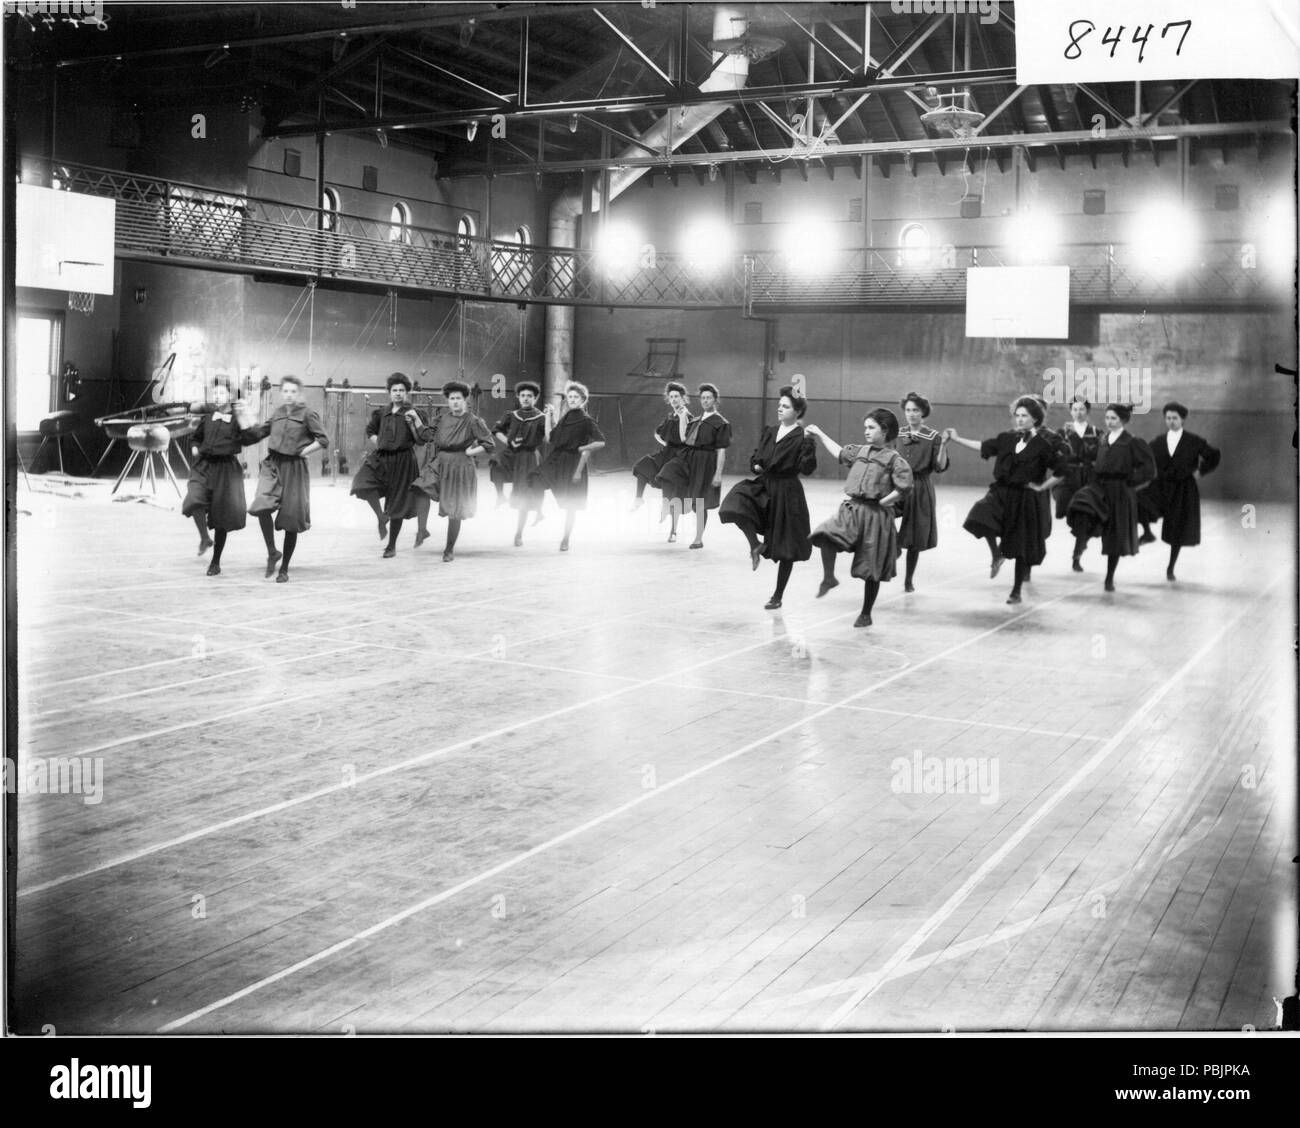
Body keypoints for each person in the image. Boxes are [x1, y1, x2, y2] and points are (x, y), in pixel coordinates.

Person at [945, 396, 1065, 605]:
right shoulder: (1006, 439)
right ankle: (997, 554)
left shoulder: (1043, 445)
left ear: (1035, 419)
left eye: (1024, 416)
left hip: (1024, 498)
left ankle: (1016, 590)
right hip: (1001, 492)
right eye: (1016, 415)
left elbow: (1062, 470)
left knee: (1019, 545)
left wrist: (1041, 487)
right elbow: (982, 446)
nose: (1019, 420)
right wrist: (957, 438)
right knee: (980, 514)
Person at [805, 408, 913, 628]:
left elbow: (905, 486)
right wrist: (820, 433)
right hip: (853, 509)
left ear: (885, 431)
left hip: (876, 516)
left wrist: (886, 501)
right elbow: (839, 452)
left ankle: (866, 612)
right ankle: (829, 577)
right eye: (865, 427)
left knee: (870, 567)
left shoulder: (894, 459)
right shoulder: (860, 451)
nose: (866, 431)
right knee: (825, 534)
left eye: (871, 427)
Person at [718, 386, 817, 610]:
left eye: (786, 406)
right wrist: (755, 464)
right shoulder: (771, 431)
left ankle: (777, 595)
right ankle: (755, 545)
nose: (780, 409)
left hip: (788, 492)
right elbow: (757, 455)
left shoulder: (802, 436)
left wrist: (810, 444)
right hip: (765, 483)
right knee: (735, 502)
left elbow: (807, 468)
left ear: (797, 411)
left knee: (787, 548)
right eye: (779, 405)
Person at [238, 375, 328, 583]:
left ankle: (284, 568)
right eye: (285, 391)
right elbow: (259, 433)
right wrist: (243, 418)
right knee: (260, 506)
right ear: (281, 393)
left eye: (293, 392)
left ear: (300, 394)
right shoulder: (277, 413)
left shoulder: (307, 414)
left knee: (290, 519)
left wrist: (304, 451)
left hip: (294, 468)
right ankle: (272, 552)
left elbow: (323, 440)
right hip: (272, 465)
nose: (289, 395)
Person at [1065, 403, 1157, 592]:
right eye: (1107, 418)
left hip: (1120, 492)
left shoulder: (1133, 442)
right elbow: (1089, 456)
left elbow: (1149, 470)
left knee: (1114, 537)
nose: (1109, 422)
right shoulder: (1103, 439)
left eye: (1113, 418)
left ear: (1123, 420)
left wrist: (1130, 483)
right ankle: (1078, 552)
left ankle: (1109, 578)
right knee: (1081, 508)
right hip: (1098, 488)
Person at [350, 373, 433, 558]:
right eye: (394, 390)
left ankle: (391, 546)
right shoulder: (381, 412)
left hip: (403, 461)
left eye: (401, 390)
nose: (398, 394)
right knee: (361, 482)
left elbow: (424, 439)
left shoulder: (415, 412)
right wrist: (378, 441)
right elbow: (370, 430)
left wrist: (415, 422)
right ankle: (381, 516)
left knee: (397, 505)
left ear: (406, 392)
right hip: (381, 457)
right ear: (389, 392)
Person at [181, 378, 258, 577]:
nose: (217, 396)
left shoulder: (236, 418)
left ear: (230, 397)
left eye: (221, 393)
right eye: (214, 393)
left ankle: (215, 561)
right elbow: (195, 437)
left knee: (221, 518)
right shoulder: (207, 417)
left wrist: (243, 416)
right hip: (203, 466)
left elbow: (250, 438)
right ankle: (205, 538)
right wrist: (196, 449)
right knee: (193, 500)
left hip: (226, 469)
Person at [411, 381, 494, 562]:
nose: (455, 402)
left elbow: (489, 444)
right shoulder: (441, 419)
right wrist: (416, 420)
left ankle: (449, 549)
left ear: (465, 400)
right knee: (419, 488)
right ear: (448, 401)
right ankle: (422, 529)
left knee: (454, 510)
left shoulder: (473, 421)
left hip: (461, 467)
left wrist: (471, 451)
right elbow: (427, 436)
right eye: (452, 399)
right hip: (440, 462)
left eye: (458, 398)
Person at [1146, 401, 1221, 581]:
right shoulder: (1158, 442)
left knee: (1177, 530)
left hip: (1183, 489)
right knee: (1139, 504)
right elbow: (1145, 457)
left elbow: (1214, 455)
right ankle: (1146, 533)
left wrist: (1200, 472)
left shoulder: (1194, 441)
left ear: (1183, 419)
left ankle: (1170, 567)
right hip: (1161, 487)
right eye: (1168, 418)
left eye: (1175, 418)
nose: (1171, 421)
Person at [529, 381, 606, 551]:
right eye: (569, 397)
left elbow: (601, 442)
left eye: (575, 397)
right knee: (535, 478)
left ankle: (566, 539)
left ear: (583, 400)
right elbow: (550, 438)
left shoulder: (586, 421)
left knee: (571, 506)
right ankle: (539, 512)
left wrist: (583, 448)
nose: (571, 400)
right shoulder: (566, 417)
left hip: (574, 463)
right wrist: (548, 416)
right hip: (557, 459)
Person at [655, 383, 731, 549]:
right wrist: (682, 418)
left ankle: (698, 538)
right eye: (703, 398)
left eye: (708, 398)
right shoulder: (695, 420)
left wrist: (718, 474)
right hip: (689, 457)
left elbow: (721, 451)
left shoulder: (721, 423)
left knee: (700, 501)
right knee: (668, 472)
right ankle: (667, 505)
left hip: (706, 463)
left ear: (715, 400)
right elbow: (684, 438)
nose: (705, 401)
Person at [894, 392, 949, 592]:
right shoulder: (897, 434)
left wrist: (943, 445)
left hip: (920, 487)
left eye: (915, 410)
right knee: (882, 513)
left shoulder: (933, 437)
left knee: (915, 537)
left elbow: (940, 466)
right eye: (908, 410)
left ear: (923, 412)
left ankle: (908, 580)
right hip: (897, 484)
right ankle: (894, 546)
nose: (911, 414)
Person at [630, 380, 691, 542]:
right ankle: (638, 498)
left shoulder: (687, 415)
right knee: (643, 465)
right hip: (666, 452)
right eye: (671, 396)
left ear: (683, 398)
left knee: (671, 491)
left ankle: (673, 531)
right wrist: (665, 443)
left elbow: (685, 437)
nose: (674, 399)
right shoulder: (670, 416)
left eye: (677, 396)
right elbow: (658, 432)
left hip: (680, 456)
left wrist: (682, 416)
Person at [489, 381, 548, 546]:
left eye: (530, 396)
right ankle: (500, 496)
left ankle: (519, 533)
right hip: (512, 453)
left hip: (528, 456)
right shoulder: (512, 415)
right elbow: (496, 430)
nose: (526, 399)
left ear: (535, 398)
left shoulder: (541, 417)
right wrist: (508, 442)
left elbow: (549, 437)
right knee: (495, 463)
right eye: (523, 396)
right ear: (518, 397)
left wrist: (550, 418)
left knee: (524, 494)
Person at [1051, 396, 1101, 572]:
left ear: (1087, 411)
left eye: (1082, 409)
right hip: (1067, 479)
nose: (1078, 413)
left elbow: (1097, 456)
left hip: (1088, 479)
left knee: (1084, 516)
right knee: (1069, 513)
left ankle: (1077, 554)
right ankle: (1081, 542)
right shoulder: (1061, 433)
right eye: (1075, 409)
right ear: (1070, 411)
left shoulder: (1096, 432)